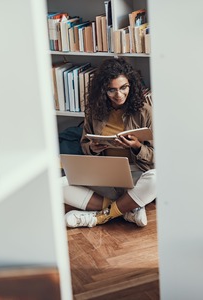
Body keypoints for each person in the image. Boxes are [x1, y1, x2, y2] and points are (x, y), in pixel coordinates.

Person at [62, 57, 156, 228]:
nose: (118, 95)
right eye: (111, 90)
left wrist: (136, 147)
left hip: (136, 173)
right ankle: (128, 209)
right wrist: (92, 147)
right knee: (58, 184)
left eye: (123, 88)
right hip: (104, 173)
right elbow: (84, 144)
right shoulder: (94, 111)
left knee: (158, 178)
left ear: (131, 85)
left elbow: (157, 157)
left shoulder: (145, 111)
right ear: (103, 90)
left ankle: (98, 216)